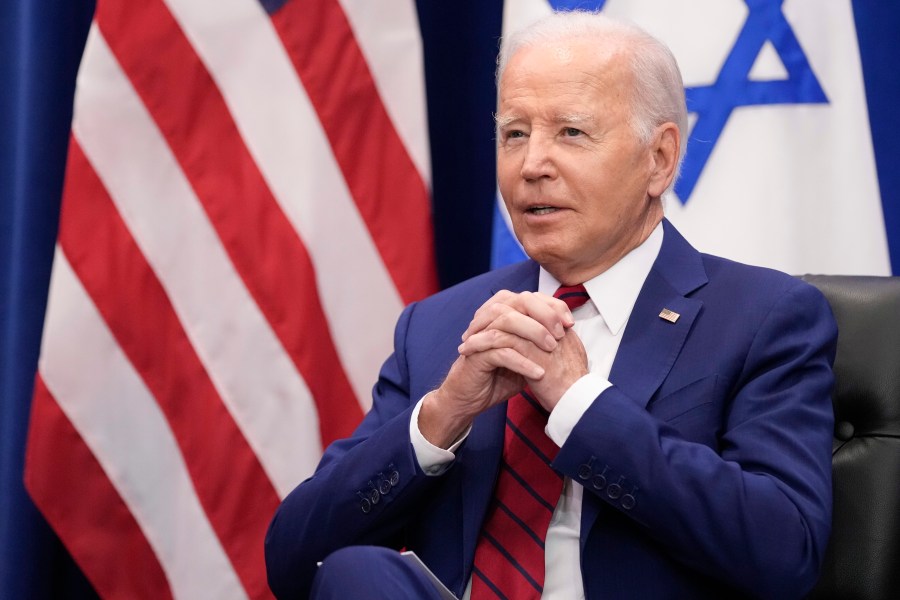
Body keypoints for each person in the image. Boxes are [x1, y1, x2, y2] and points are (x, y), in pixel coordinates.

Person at [264, 10, 836, 600]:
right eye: (514, 133)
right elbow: (293, 561)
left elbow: (783, 551)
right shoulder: (439, 327)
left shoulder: (763, 317)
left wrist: (580, 404)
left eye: (571, 133)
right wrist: (439, 419)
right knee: (359, 575)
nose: (532, 165)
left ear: (659, 159)